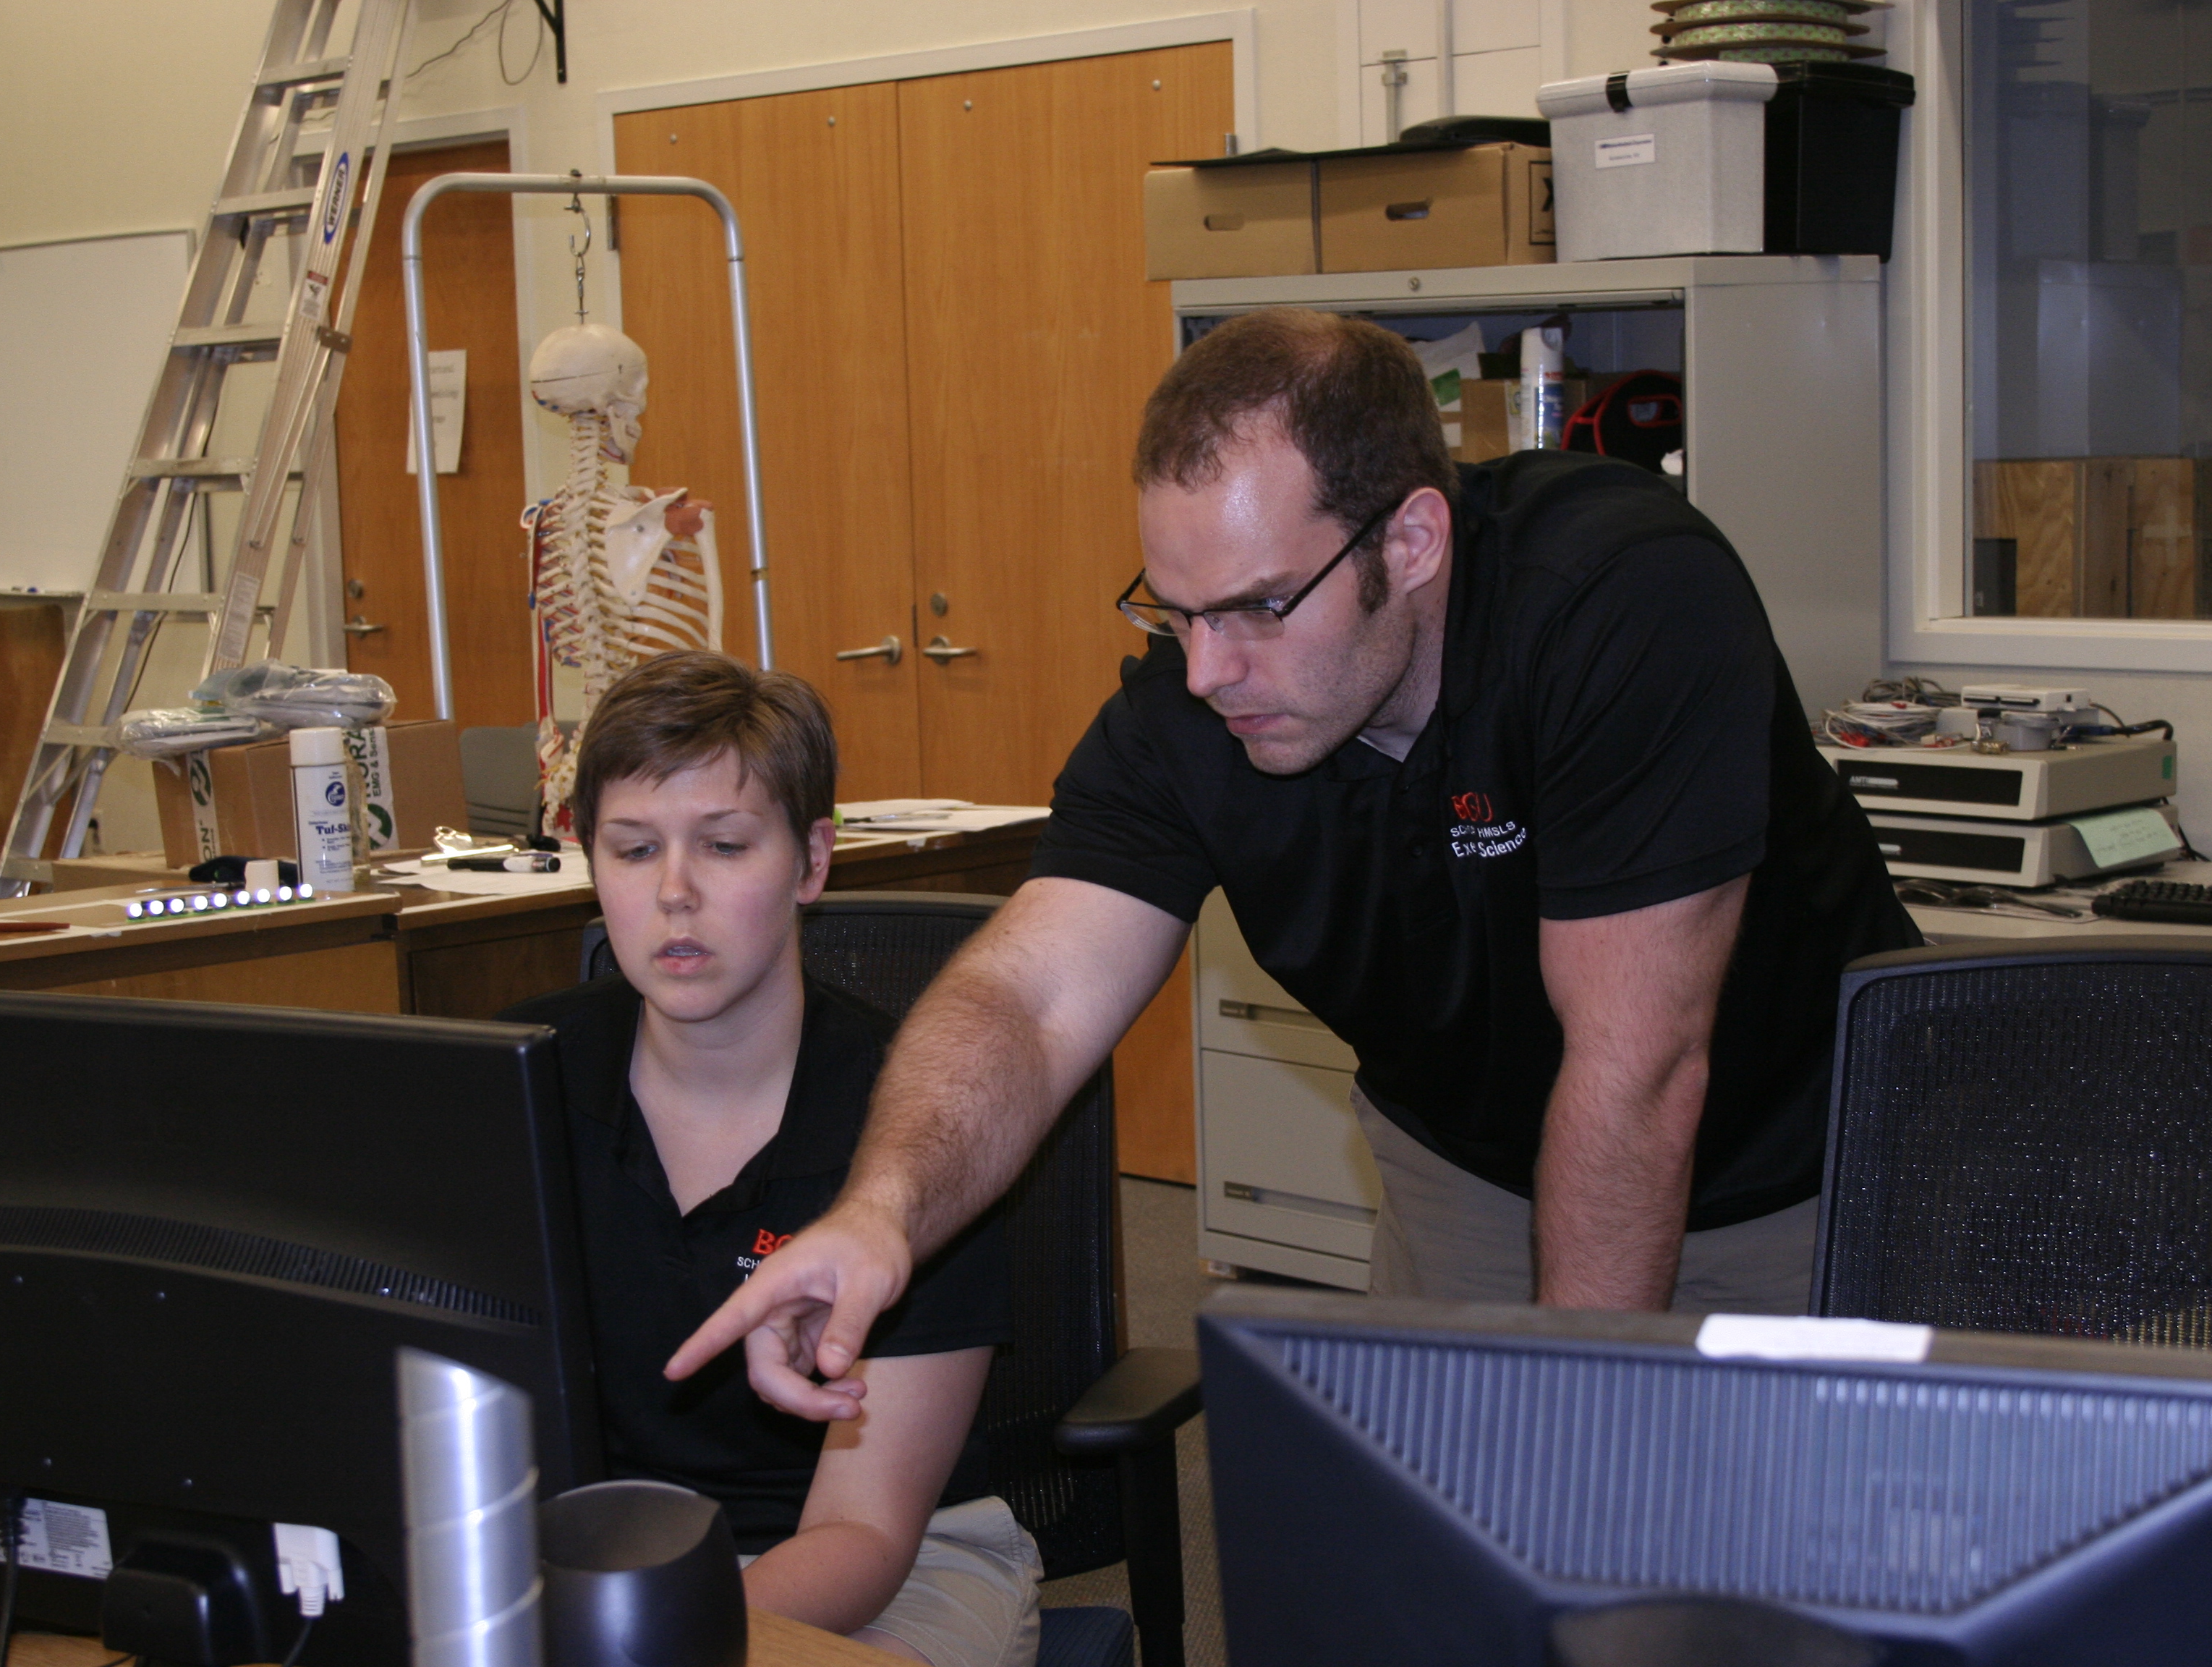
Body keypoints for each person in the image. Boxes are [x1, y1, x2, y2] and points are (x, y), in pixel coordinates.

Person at [670, 307, 1919, 1423]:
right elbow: (1030, 1000)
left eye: (1261, 606)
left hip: (1798, 1169)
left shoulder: (1618, 600)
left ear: (1413, 540)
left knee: (1769, 1554)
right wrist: (880, 1212)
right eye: (1176, 611)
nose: (1209, 671)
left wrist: (1569, 1443)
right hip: (1472, 1163)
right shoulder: (1187, 715)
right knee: (1452, 1547)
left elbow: (1637, 1068)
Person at [499, 650, 1042, 1667]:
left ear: (811, 862)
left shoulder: (919, 1121)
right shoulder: (518, 1075)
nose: (674, 893)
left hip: (891, 1558)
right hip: (601, 1559)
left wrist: (649, 1640)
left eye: (724, 845)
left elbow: (865, 1533)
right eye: (633, 849)